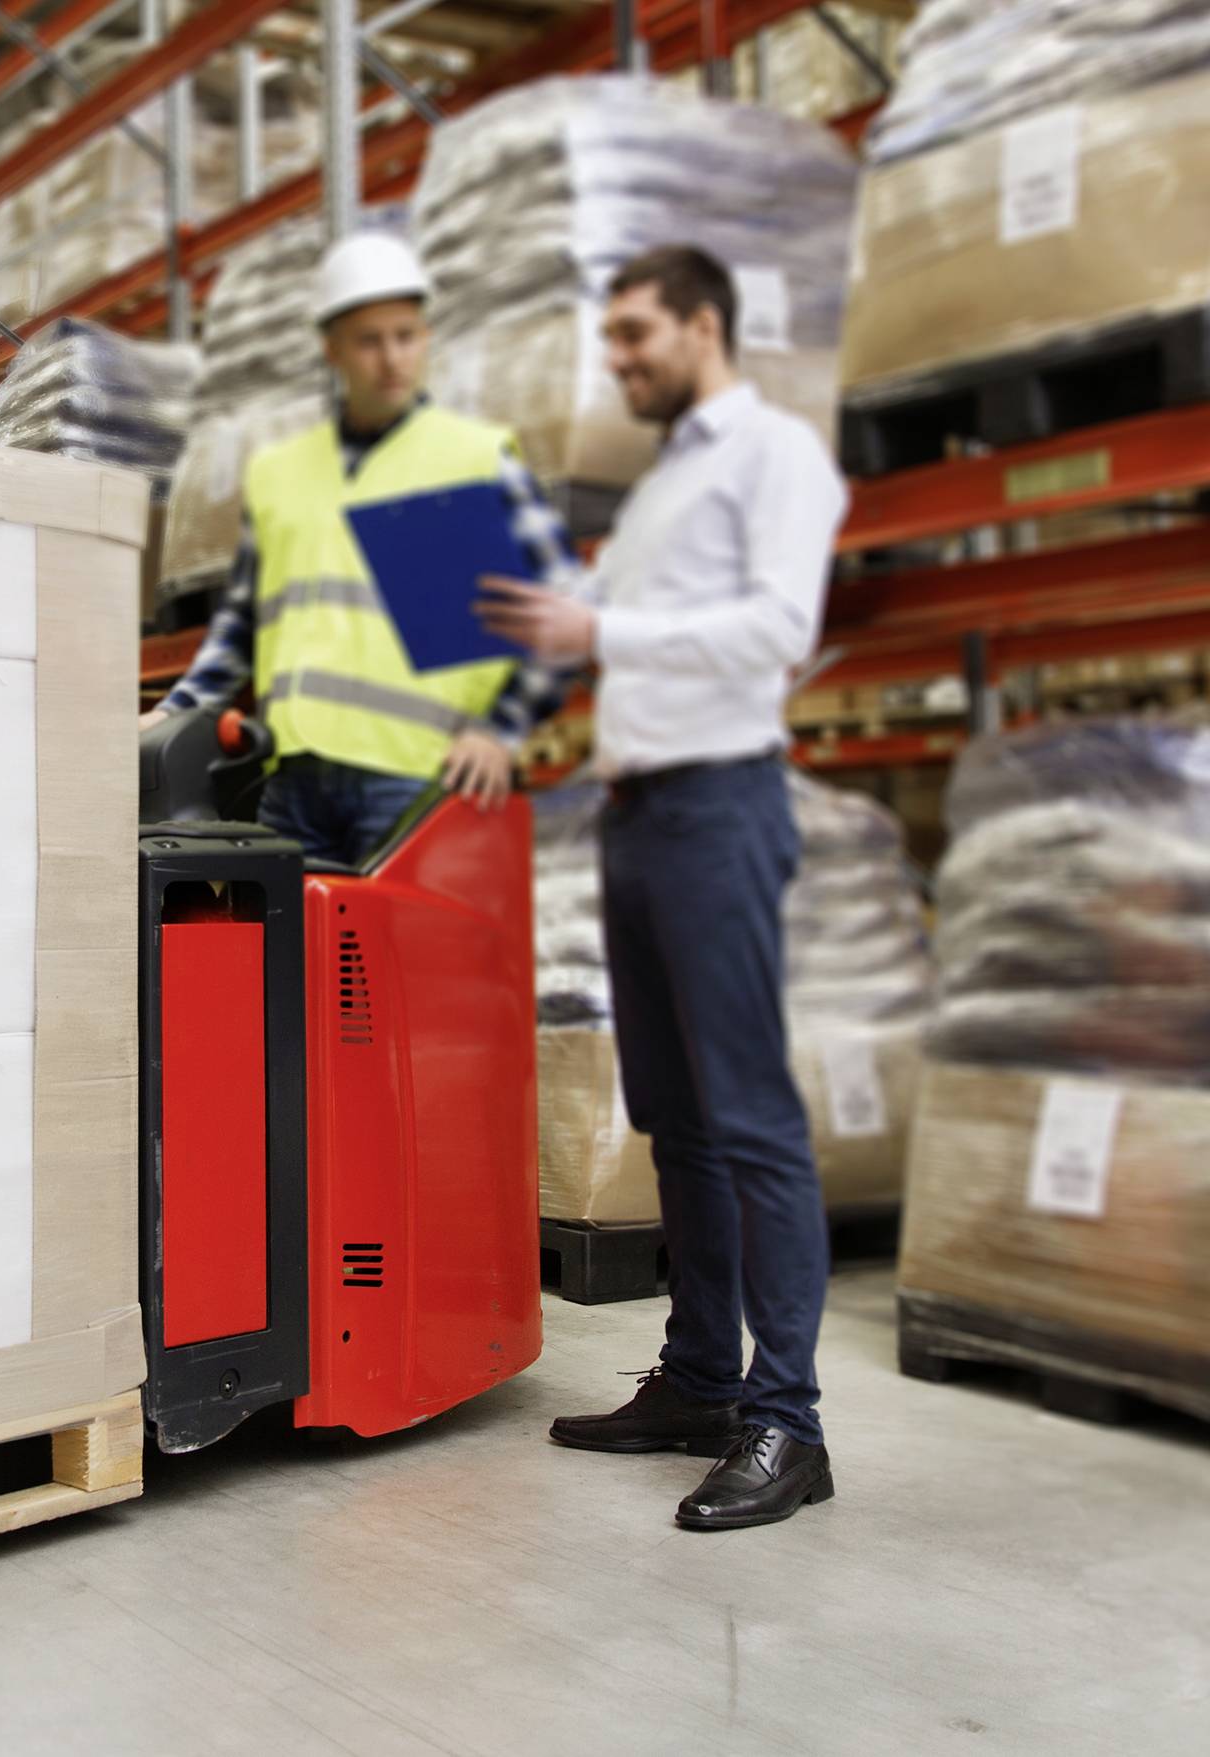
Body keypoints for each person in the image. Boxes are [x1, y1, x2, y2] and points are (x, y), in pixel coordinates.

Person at [477, 244, 849, 1532]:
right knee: (676, 1121)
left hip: (719, 805)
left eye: (635, 334)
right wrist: (532, 618)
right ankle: (699, 1376)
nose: (618, 359)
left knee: (749, 1120)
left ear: (702, 324)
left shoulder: (775, 457)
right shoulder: (658, 490)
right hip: (636, 815)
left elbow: (774, 630)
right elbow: (604, 622)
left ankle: (785, 1418)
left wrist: (601, 631)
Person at [143, 231, 577, 867]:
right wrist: (174, 710)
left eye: (406, 336)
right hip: (293, 781)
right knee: (296, 961)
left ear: (427, 337)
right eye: (370, 341)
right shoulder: (280, 474)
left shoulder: (472, 457)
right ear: (333, 350)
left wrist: (501, 729)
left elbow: (564, 606)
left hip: (413, 777)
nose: (392, 359)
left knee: (402, 963)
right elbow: (241, 625)